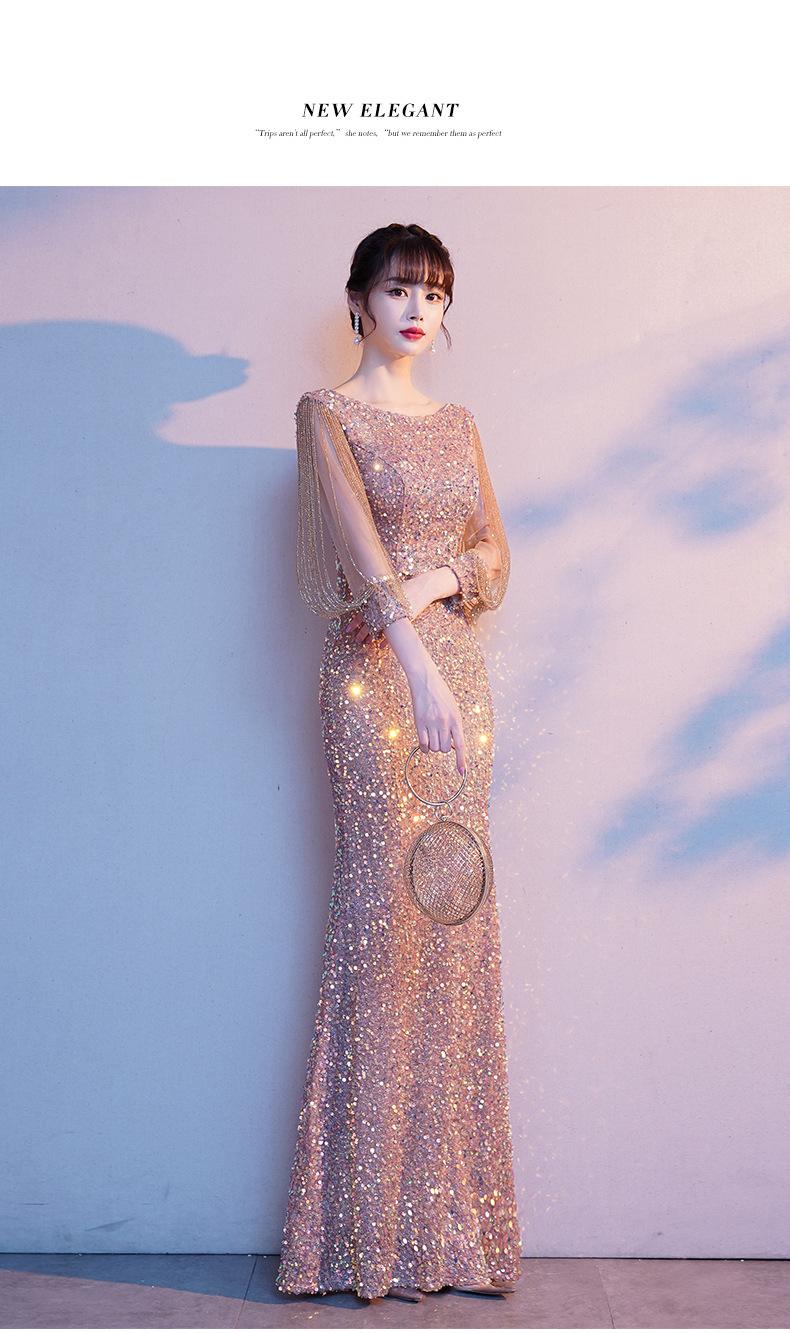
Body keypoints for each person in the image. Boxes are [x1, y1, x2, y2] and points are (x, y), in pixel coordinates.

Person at [275, 222, 522, 1304]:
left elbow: (495, 556)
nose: (419, 309)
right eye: (398, 289)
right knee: (382, 921)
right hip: (381, 684)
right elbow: (364, 563)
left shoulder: (459, 423)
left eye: (435, 293)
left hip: (460, 679)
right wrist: (416, 654)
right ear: (359, 302)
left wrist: (438, 587)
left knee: (453, 920)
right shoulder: (326, 414)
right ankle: (361, 1232)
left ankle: (447, 1228)